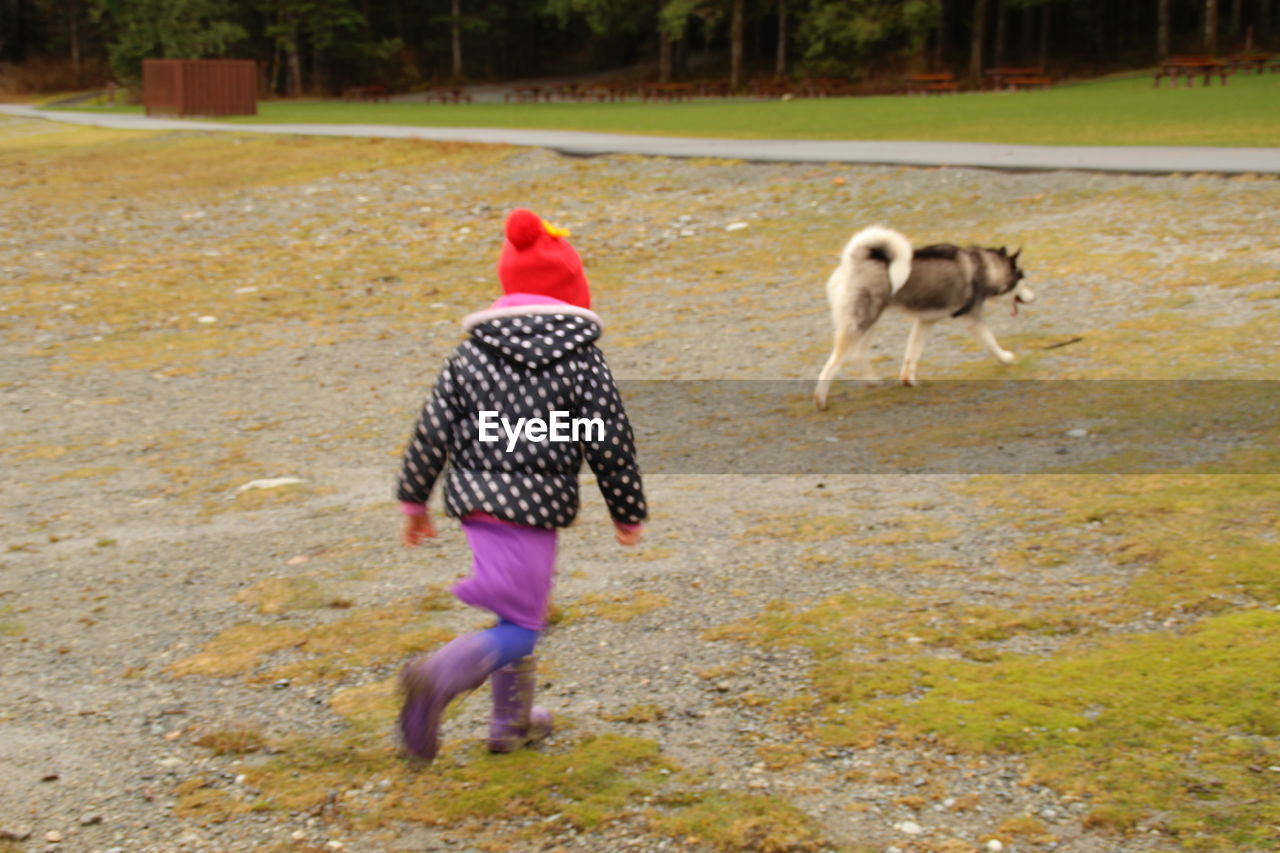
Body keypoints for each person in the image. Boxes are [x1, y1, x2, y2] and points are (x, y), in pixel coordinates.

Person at [395, 207, 647, 763]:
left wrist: (415, 500)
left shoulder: (470, 354)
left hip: (476, 504)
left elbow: (432, 428)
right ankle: (435, 677)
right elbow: (608, 439)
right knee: (525, 626)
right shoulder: (582, 359)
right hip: (532, 508)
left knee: (521, 611)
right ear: (573, 295)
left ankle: (509, 723)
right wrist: (626, 511)